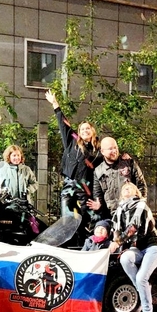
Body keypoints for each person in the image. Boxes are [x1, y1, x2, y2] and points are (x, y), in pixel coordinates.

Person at [109, 182, 157, 312]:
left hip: (153, 246)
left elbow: (133, 228)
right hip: (138, 248)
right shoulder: (120, 210)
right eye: (124, 188)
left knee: (141, 278)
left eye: (130, 187)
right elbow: (116, 230)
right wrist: (115, 241)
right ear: (121, 194)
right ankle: (143, 288)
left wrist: (117, 242)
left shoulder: (141, 205)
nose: (126, 188)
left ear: (136, 192)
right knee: (125, 258)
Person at [45, 90, 102, 218]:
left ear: (93, 131)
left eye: (88, 128)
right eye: (82, 129)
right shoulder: (73, 142)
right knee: (67, 219)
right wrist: (55, 104)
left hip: (85, 188)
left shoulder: (98, 149)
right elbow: (63, 125)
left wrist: (124, 157)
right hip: (69, 185)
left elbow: (110, 155)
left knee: (83, 219)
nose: (85, 130)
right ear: (79, 132)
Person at [89, 137, 147, 220]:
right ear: (102, 151)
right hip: (112, 216)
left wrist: (141, 206)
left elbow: (141, 185)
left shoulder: (129, 163)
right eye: (110, 149)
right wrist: (98, 207)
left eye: (115, 147)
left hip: (131, 213)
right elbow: (98, 196)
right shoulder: (98, 171)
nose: (114, 151)